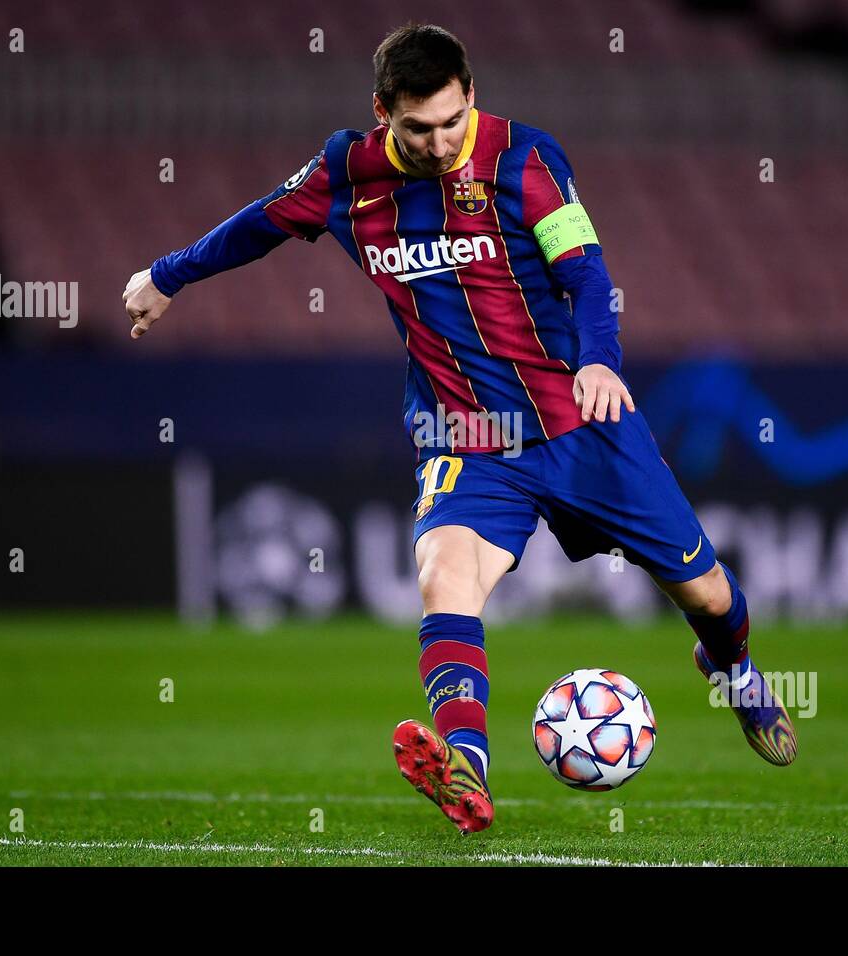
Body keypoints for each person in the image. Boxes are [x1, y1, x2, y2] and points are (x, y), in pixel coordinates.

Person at [122, 22, 796, 834]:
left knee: (709, 593)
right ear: (382, 114)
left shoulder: (525, 159)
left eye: (452, 121)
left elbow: (585, 271)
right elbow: (260, 223)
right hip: (466, 438)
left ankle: (738, 673)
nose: (441, 143)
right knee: (445, 578)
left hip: (581, 423)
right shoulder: (347, 171)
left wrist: (601, 359)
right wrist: (166, 276)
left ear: (470, 95)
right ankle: (466, 770)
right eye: (418, 129)